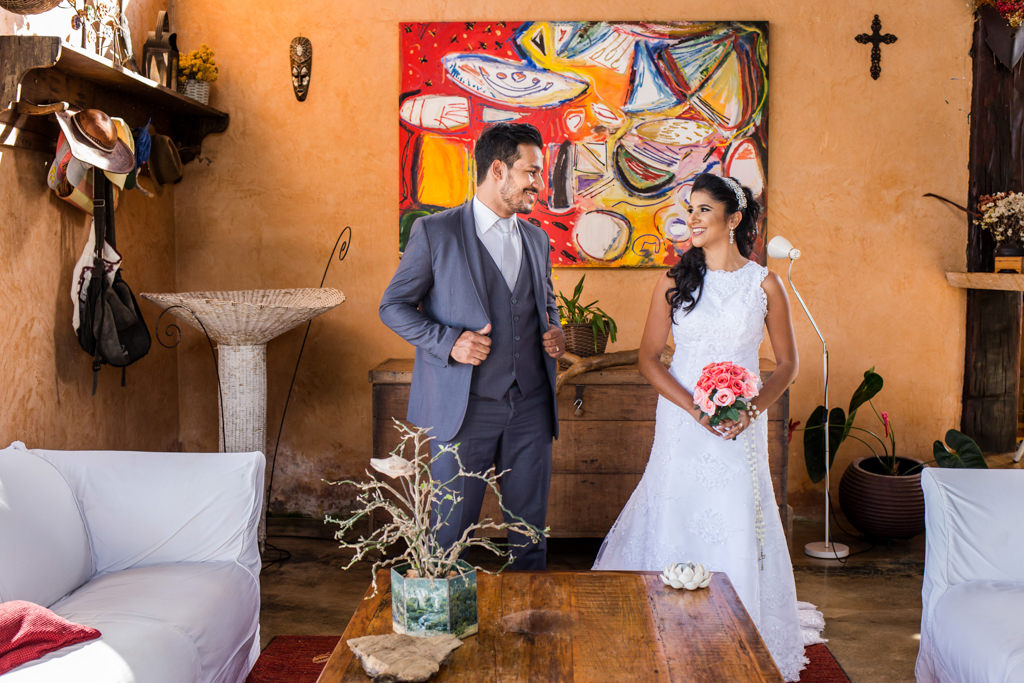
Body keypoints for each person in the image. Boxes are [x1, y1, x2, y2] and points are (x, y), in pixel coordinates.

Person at [592, 173, 807, 680]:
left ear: (734, 219)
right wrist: (695, 409)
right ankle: (668, 627)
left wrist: (750, 411)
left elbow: (787, 365)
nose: (692, 218)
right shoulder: (674, 282)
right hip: (683, 421)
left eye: (704, 209)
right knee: (678, 507)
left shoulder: (764, 284)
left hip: (741, 428)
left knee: (735, 513)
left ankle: (740, 632)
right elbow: (649, 359)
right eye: (689, 209)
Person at [379, 122, 565, 570]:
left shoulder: (537, 239)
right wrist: (450, 342)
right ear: (498, 170)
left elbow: (546, 301)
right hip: (464, 409)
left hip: (531, 406)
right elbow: (393, 306)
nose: (539, 184)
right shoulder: (435, 232)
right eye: (531, 172)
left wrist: (555, 330)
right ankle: (442, 614)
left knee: (530, 539)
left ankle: (528, 613)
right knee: (447, 537)